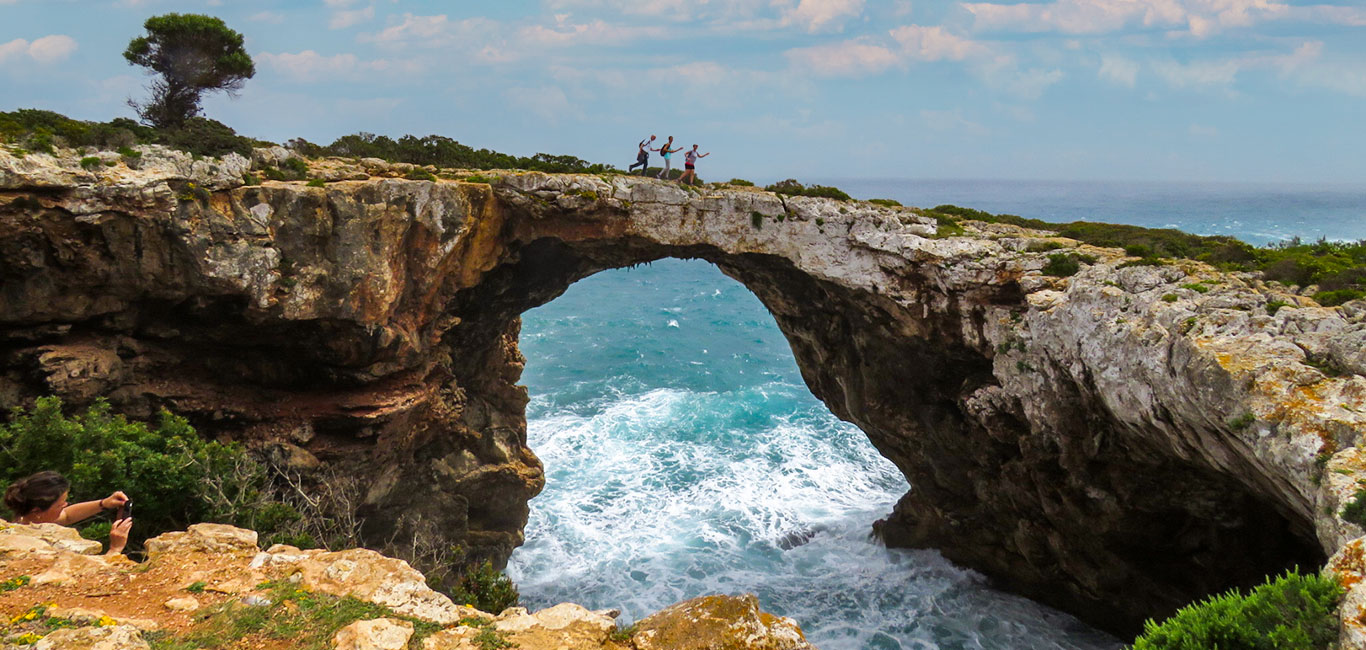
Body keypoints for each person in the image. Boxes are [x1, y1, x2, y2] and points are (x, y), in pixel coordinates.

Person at [4, 471, 132, 556]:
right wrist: (115, 548)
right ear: (37, 511)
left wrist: (103, 503)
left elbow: (67, 515)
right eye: (60, 504)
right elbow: (90, 574)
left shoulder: (27, 520)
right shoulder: (36, 547)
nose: (66, 505)